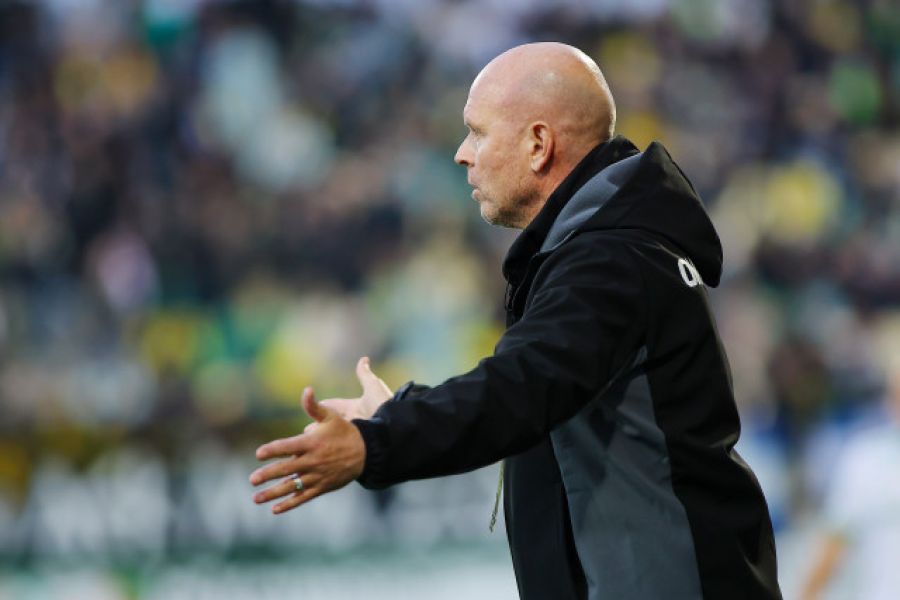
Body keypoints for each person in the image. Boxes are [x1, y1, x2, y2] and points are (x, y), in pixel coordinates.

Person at [249, 42, 782, 599]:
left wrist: (377, 440)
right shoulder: (608, 252)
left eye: (477, 133)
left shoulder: (610, 262)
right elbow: (534, 392)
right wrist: (396, 416)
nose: (462, 154)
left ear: (538, 145)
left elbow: (521, 389)